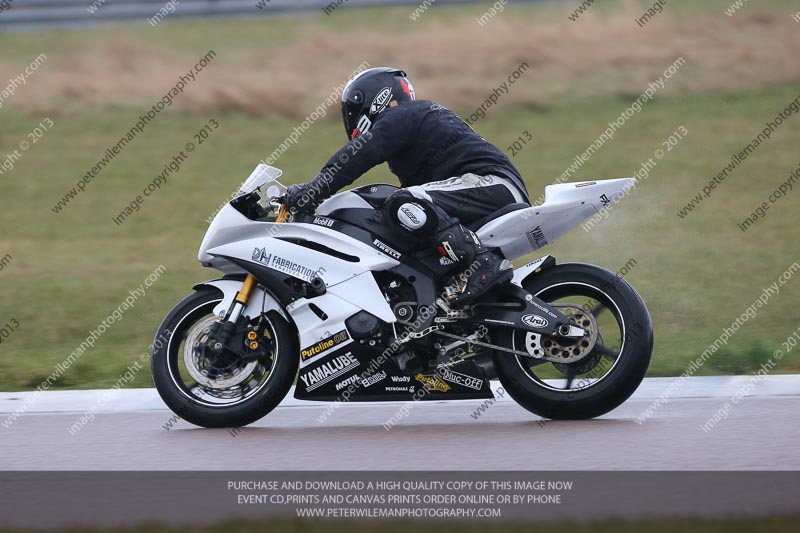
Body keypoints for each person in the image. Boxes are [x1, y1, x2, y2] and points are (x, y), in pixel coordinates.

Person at [284, 67, 530, 306]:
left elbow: (359, 154)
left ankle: (482, 263)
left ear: (374, 100)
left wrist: (313, 190)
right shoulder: (414, 126)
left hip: (493, 184)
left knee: (402, 201)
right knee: (405, 220)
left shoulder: (406, 113)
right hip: (481, 189)